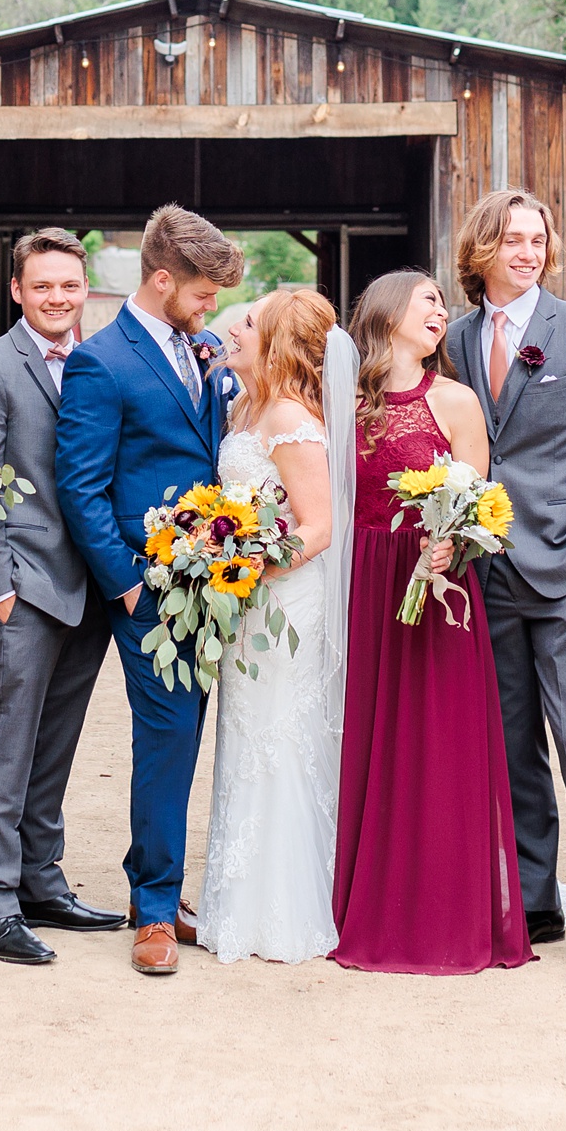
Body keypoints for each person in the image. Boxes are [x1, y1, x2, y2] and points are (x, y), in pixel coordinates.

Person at [440, 189, 566, 981]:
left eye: (538, 239)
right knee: (513, 745)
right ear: (481, 249)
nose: (528, 252)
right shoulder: (454, 339)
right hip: (485, 570)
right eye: (513, 239)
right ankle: (535, 901)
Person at [55, 203, 246, 977]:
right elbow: (81, 486)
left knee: (187, 737)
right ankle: (156, 910)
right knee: (166, 738)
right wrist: (128, 587)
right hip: (149, 590)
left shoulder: (196, 347)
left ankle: (154, 893)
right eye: (202, 294)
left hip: (208, 578)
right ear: (162, 278)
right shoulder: (101, 361)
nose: (211, 310)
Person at [330, 269, 531, 976]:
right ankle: (357, 898)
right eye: (428, 301)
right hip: (361, 585)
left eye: (444, 304)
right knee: (364, 741)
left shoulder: (456, 399)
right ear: (387, 313)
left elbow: (480, 500)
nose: (442, 312)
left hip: (437, 582)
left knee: (436, 745)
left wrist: (454, 542)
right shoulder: (343, 403)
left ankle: (442, 910)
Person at [0, 229, 128, 966]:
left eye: (69, 286)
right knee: (7, 750)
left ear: (84, 292)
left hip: (85, 587)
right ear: (17, 292)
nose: (58, 298)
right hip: (21, 587)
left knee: (55, 748)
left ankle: (40, 881)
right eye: (43, 286)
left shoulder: (93, 363)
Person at [197, 286, 356, 965]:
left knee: (282, 737)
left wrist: (247, 567)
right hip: (249, 600)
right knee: (246, 734)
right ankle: (242, 898)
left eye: (252, 320)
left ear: (282, 341)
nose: (236, 325)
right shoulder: (245, 405)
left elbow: (319, 527)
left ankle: (292, 908)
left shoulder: (290, 416)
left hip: (285, 601)